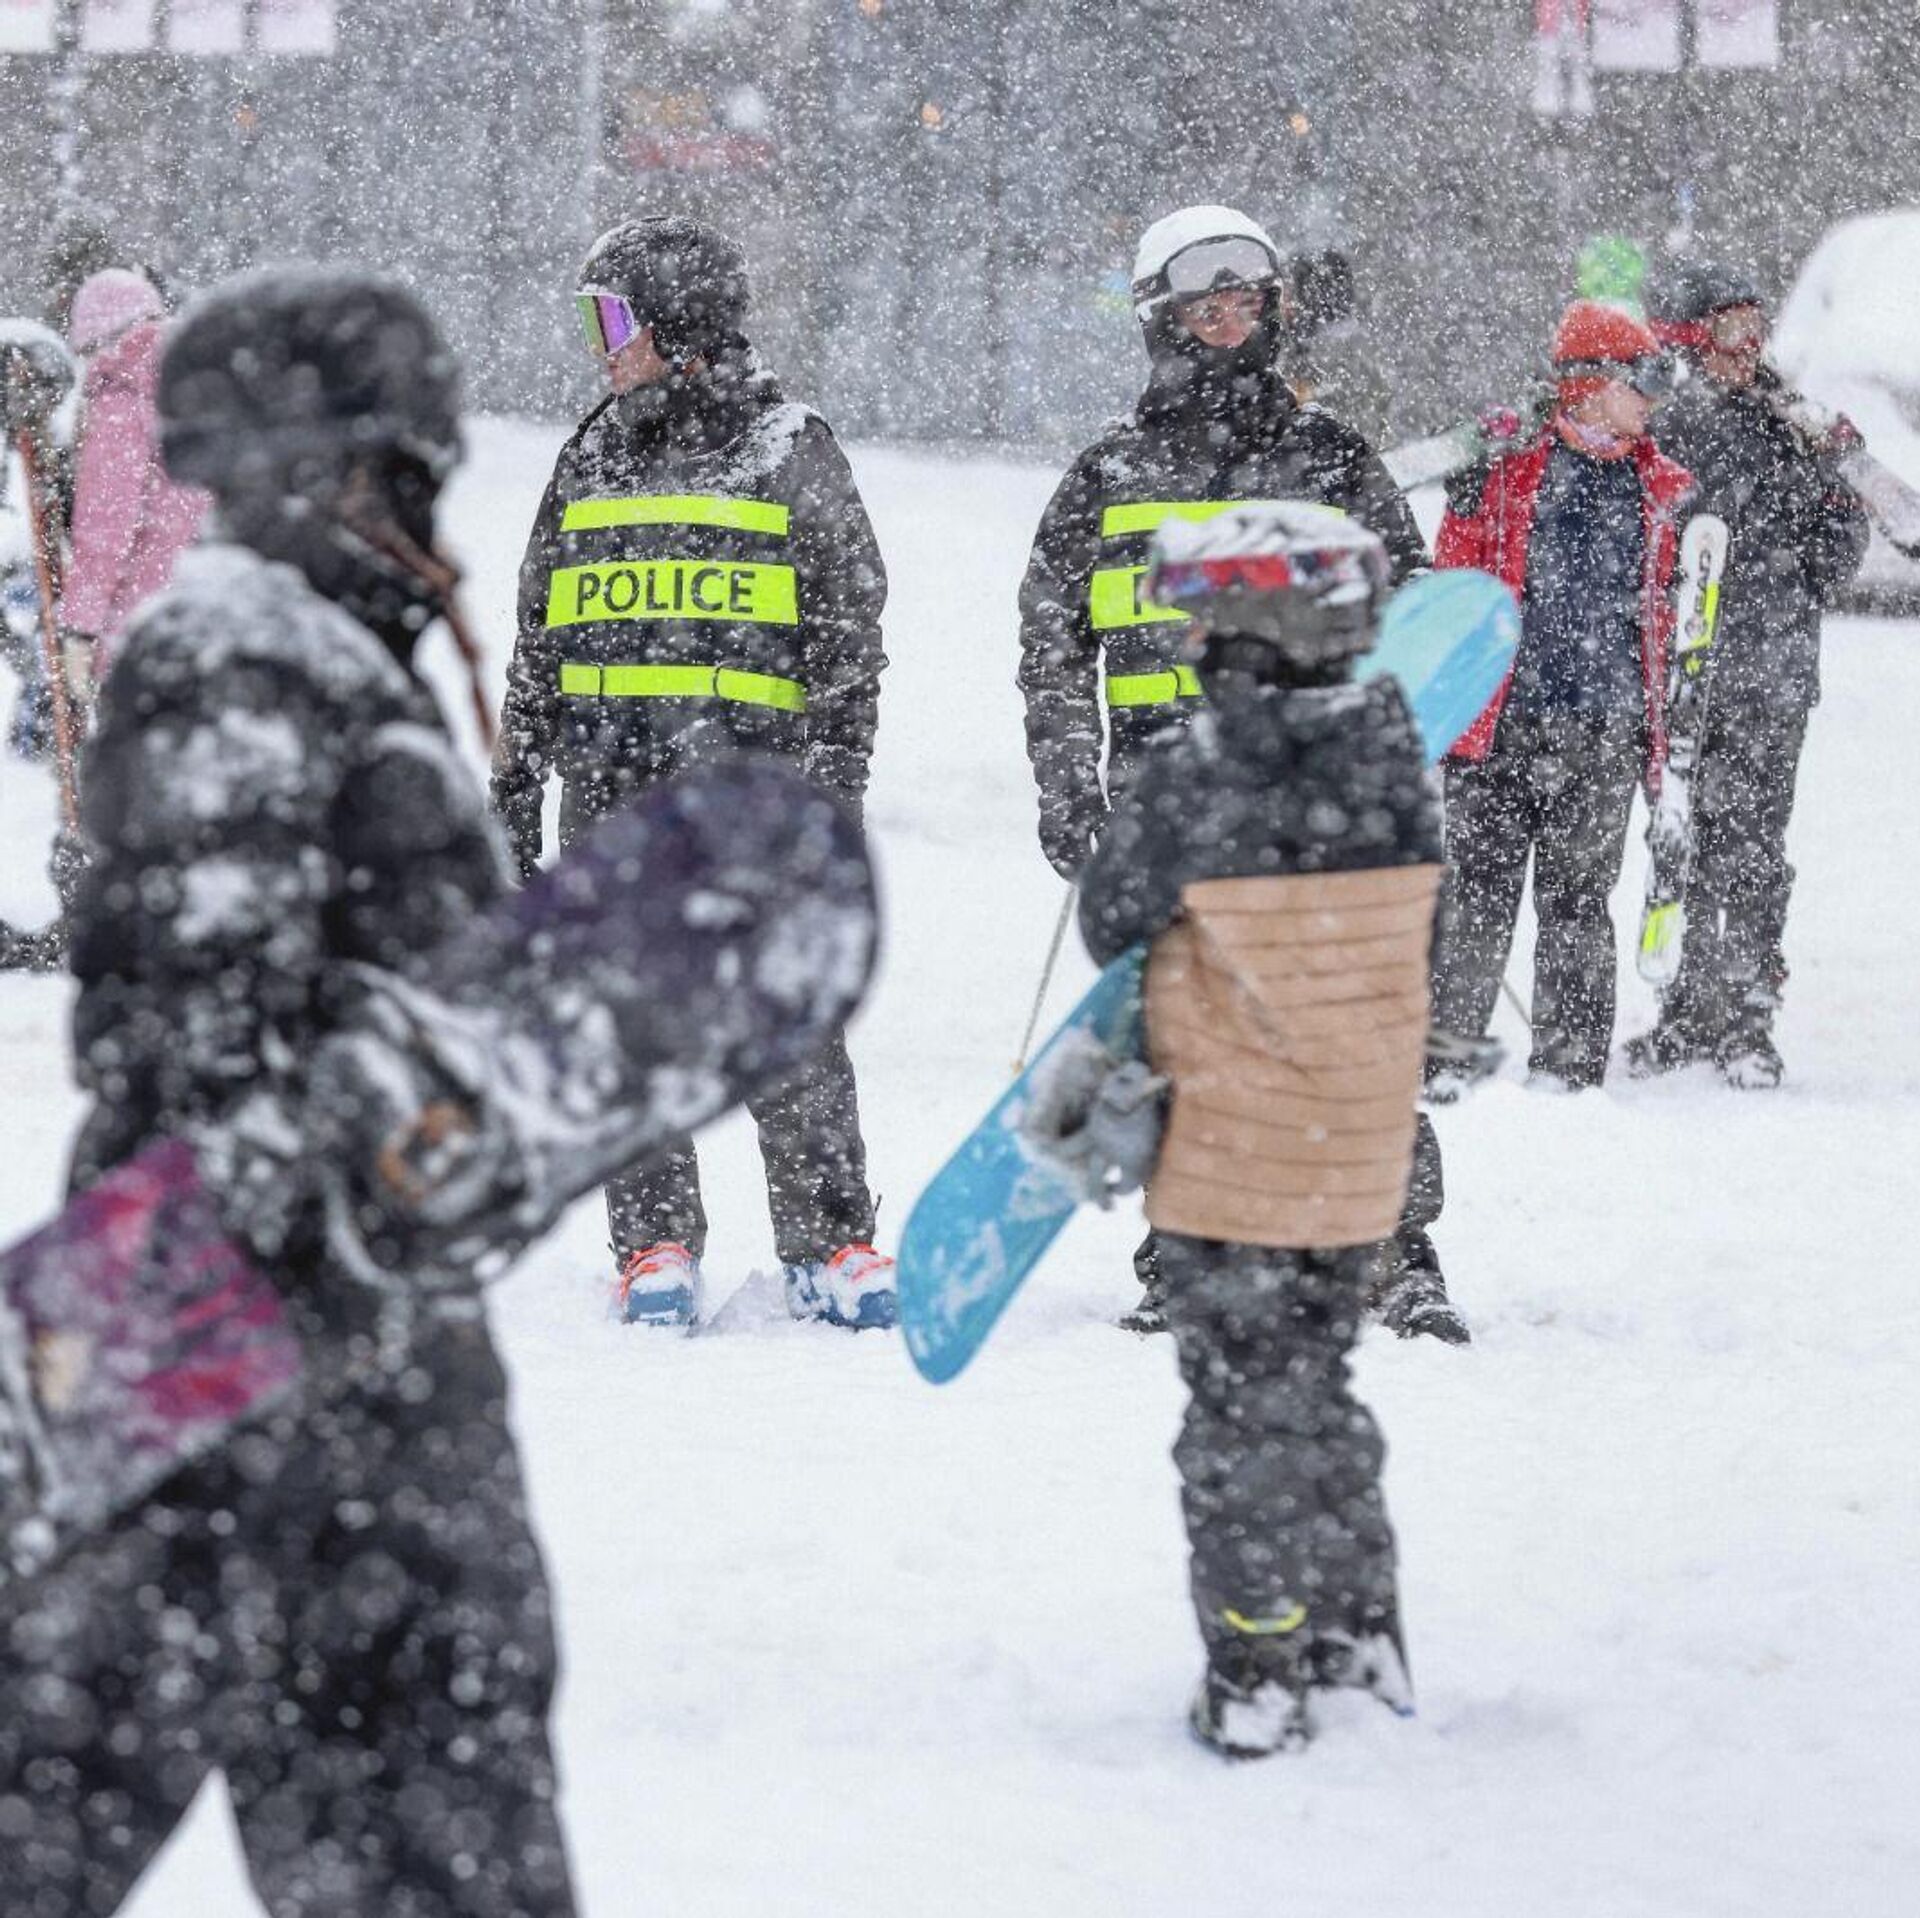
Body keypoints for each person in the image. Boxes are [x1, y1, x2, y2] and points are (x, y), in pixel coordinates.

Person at [0, 271, 579, 1917]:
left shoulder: (307, 657)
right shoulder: (241, 661)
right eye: (405, 469)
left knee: (415, 1802)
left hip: (329, 1346)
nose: (426, 514)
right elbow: (198, 1054)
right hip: (258, 1354)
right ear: (327, 463)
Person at [1015, 202, 1449, 1339]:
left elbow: (1412, 609)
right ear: (1163, 319)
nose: (1229, 322)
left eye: (1246, 302)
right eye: (1206, 306)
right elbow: (1051, 638)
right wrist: (1067, 780)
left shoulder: (1330, 456)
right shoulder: (1107, 475)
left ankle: (1392, 1252)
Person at [1076, 502, 1445, 1756]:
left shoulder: (1196, 772)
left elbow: (1112, 918)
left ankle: (1255, 1662)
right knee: (1317, 1384)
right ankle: (1354, 1629)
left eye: (1201, 622)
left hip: (1229, 1159)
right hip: (1357, 1159)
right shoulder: (1397, 759)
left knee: (1235, 1411)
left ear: (1243, 629)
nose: (1187, 644)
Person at [492, 215, 893, 1330]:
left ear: (681, 326)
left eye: (614, 322)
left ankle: (830, 1240)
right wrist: (515, 788)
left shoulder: (786, 448)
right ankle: (653, 1242)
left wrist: (832, 787)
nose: (601, 348)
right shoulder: (591, 455)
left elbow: (848, 636)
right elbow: (539, 638)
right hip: (613, 794)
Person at [1430, 300, 1692, 1091]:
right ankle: (1445, 1062)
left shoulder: (1658, 487)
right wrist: (1465, 503)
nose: (1653, 400)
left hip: (1603, 730)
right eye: (1641, 381)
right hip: (1498, 725)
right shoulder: (1511, 469)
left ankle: (1569, 1069)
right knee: (1475, 897)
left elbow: (1670, 607)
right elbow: (1455, 579)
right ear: (1591, 385)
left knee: (1579, 901)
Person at [1631, 262, 1869, 1088]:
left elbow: (1839, 546)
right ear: (1692, 339)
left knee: (1756, 848)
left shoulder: (1788, 428)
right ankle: (1687, 1010)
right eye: (1730, 329)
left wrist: (1815, 537)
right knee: (1684, 842)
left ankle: (1747, 1019)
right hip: (1686, 685)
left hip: (1771, 678)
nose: (1748, 346)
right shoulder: (1663, 429)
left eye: (1755, 328)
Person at [60, 267, 210, 688]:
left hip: (140, 618)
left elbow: (105, 528)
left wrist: (81, 628)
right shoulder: (195, 381)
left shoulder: (121, 391)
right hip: (206, 597)